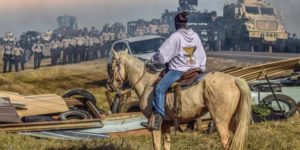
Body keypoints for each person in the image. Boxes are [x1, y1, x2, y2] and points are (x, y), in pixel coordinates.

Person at [141, 12, 207, 130]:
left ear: (176, 24)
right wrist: (201, 68)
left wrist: (153, 58)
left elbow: (162, 57)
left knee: (159, 88)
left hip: (178, 71)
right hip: (194, 70)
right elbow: (202, 54)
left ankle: (158, 119)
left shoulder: (175, 36)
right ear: (186, 23)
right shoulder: (195, 35)